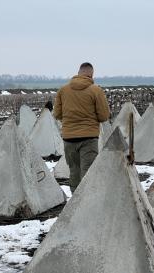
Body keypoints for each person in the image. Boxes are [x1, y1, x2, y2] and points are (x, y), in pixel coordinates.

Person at [53, 62, 110, 193]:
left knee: (74, 172)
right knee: (88, 172)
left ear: (78, 73)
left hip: (69, 138)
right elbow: (104, 116)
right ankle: (86, 204)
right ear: (91, 74)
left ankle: (74, 204)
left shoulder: (63, 90)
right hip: (89, 138)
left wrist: (70, 122)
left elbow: (57, 114)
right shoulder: (96, 90)